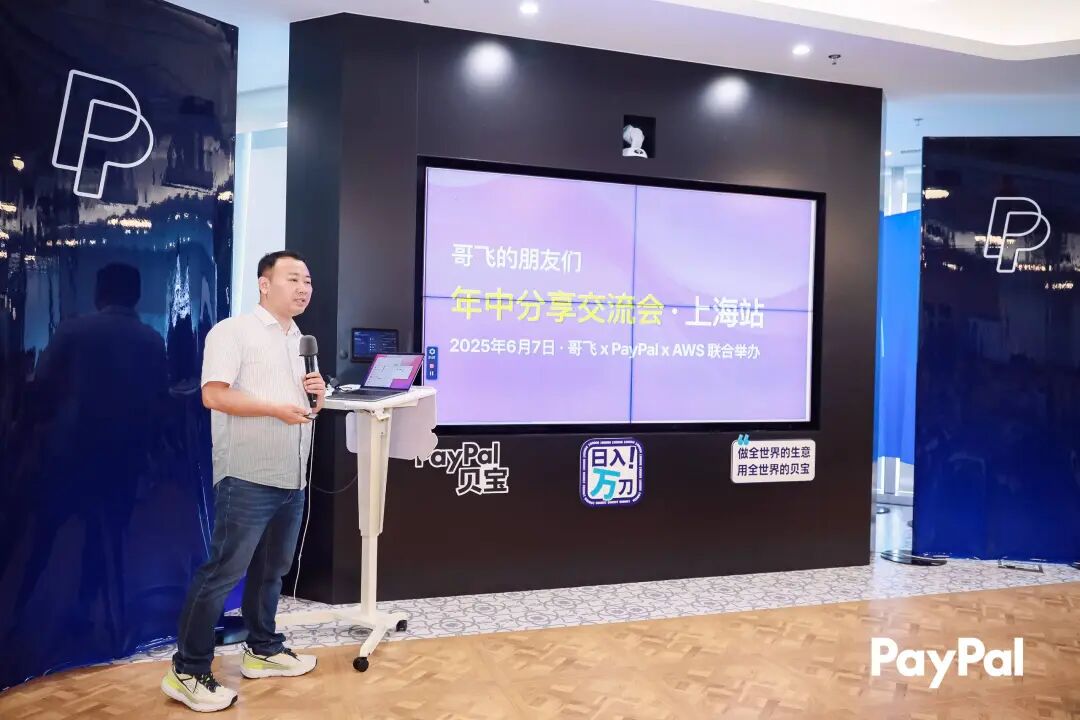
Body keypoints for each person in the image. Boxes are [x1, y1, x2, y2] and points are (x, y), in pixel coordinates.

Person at [161, 251, 326, 712]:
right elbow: (214, 395)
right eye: (293, 278)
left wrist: (318, 396)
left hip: (291, 474)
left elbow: (306, 406)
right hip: (248, 474)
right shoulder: (232, 332)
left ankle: (263, 649)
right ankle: (187, 670)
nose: (303, 288)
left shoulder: (300, 340)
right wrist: (275, 409)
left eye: (308, 280)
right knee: (223, 572)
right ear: (264, 284)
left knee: (272, 570)